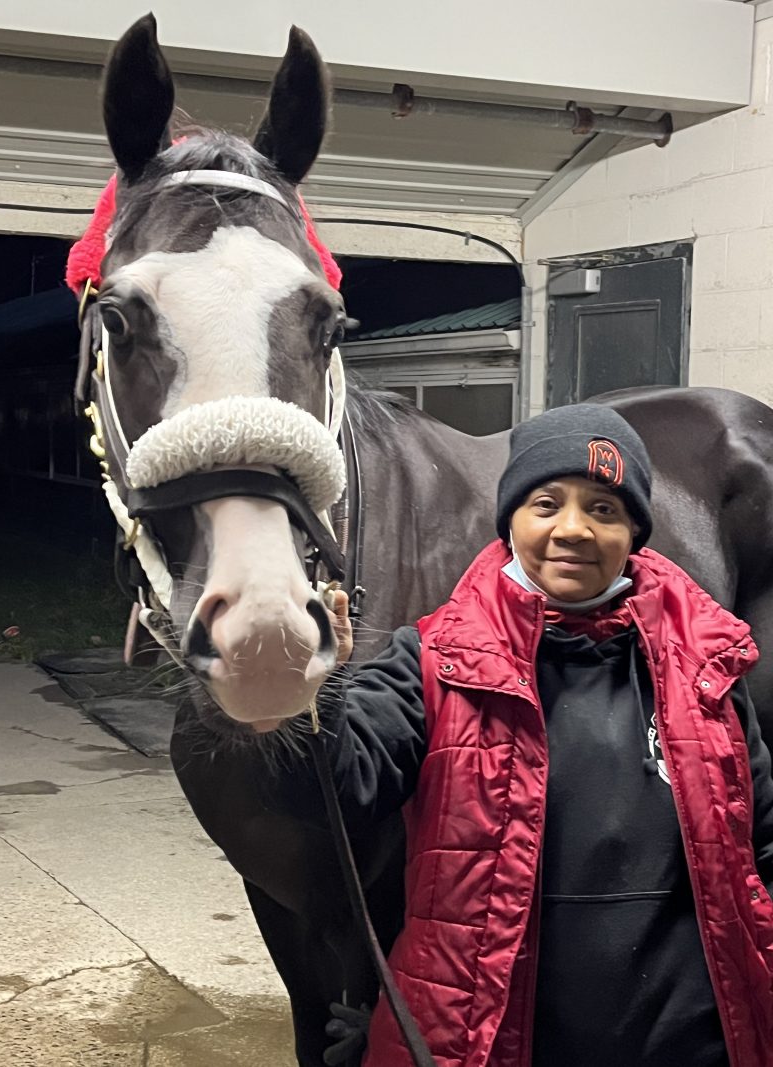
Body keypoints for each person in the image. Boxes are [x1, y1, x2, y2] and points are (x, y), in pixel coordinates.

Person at [261, 404, 773, 1067]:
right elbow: (334, 791)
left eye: (605, 510)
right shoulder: (433, 661)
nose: (573, 529)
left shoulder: (707, 663)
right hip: (499, 1044)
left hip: (693, 1042)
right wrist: (307, 695)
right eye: (546, 502)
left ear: (635, 534)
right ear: (510, 522)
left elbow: (760, 840)